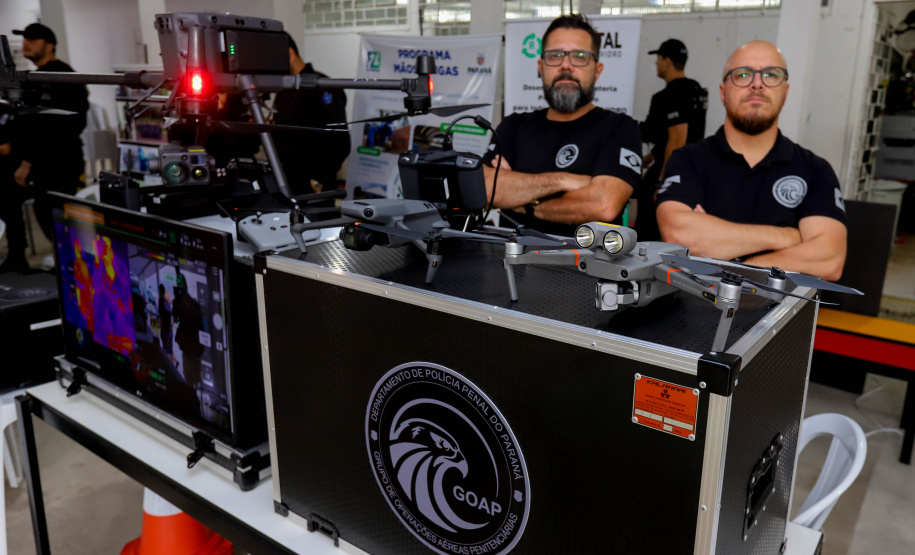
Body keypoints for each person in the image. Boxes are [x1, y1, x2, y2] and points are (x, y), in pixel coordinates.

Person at [656, 41, 847, 281]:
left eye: (771, 74)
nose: (757, 84)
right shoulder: (688, 159)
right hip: (696, 311)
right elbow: (680, 237)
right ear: (723, 93)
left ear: (785, 93)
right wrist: (787, 237)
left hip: (785, 316)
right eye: (743, 74)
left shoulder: (815, 170)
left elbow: (829, 260)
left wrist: (734, 267)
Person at [481, 14, 641, 237]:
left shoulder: (620, 128)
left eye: (580, 56)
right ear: (540, 66)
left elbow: (604, 205)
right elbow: (486, 188)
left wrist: (523, 202)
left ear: (598, 70)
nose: (566, 65)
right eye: (554, 56)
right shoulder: (513, 126)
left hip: (587, 268)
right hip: (513, 267)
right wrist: (565, 180)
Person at [0, 23, 88, 273]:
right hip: (37, 161)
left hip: (58, 161)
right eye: (24, 39)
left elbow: (58, 126)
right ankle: (25, 257)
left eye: (33, 39)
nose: (26, 43)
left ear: (49, 45)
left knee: (54, 213)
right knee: (22, 205)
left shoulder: (61, 76)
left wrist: (27, 161)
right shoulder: (34, 78)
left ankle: (73, 265)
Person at [636, 39, 707, 241]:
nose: (656, 64)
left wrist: (662, 183)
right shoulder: (695, 89)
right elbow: (678, 135)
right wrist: (651, 155)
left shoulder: (670, 94)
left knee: (649, 233)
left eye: (658, 59)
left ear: (667, 60)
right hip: (692, 172)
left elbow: (677, 139)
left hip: (671, 172)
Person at [271, 32, 350, 197]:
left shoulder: (322, 86)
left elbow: (340, 141)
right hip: (286, 183)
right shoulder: (284, 91)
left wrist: (319, 178)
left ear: (290, 54)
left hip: (315, 187)